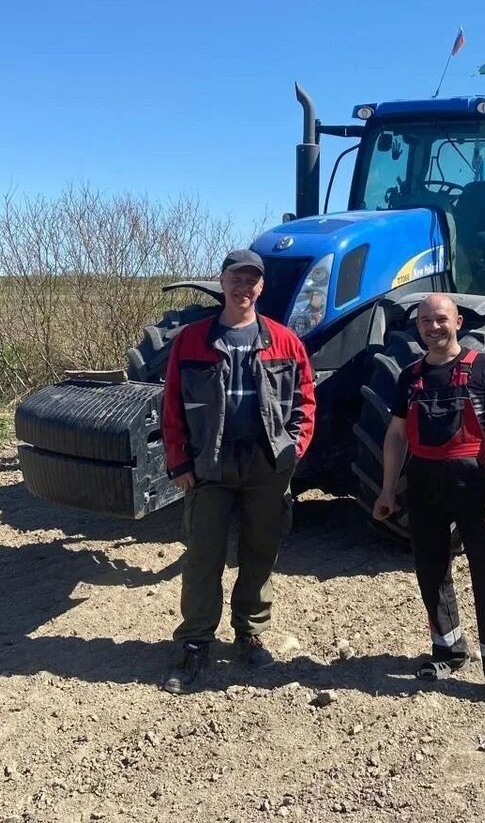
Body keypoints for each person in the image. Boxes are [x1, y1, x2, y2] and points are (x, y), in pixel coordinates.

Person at [160, 248, 316, 695]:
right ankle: (194, 643)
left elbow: (305, 400)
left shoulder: (286, 342)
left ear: (261, 287)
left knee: (260, 551)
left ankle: (249, 632)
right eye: (235, 278)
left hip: (266, 463)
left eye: (251, 280)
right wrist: (180, 462)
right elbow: (171, 405)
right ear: (222, 281)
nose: (243, 287)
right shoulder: (192, 340)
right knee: (203, 555)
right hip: (210, 462)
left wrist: (294, 449)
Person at [373, 294, 485, 707]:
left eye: (440, 319)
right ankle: (447, 649)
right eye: (425, 320)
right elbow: (395, 435)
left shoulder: (484, 367)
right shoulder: (409, 376)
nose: (432, 327)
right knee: (431, 571)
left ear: (458, 321)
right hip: (424, 487)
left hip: (475, 488)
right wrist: (388, 488)